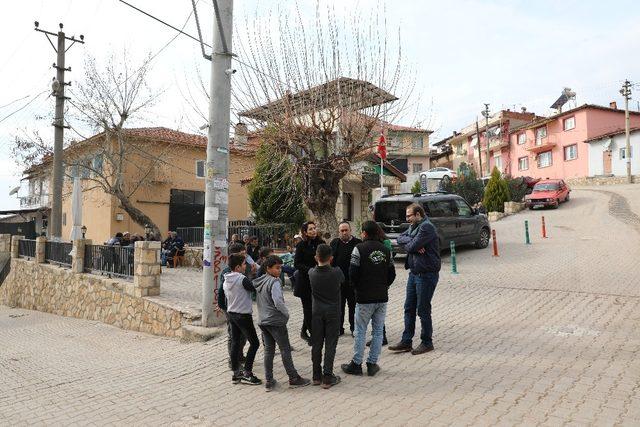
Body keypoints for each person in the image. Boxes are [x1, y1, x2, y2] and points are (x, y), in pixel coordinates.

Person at [341, 221, 395, 377]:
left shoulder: (358, 249)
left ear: (364, 233)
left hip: (364, 298)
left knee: (360, 331)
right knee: (378, 332)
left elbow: (352, 272)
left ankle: (356, 364)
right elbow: (392, 274)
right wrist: (383, 286)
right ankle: (372, 364)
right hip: (381, 297)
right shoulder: (386, 250)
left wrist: (357, 287)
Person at [389, 203, 441, 355]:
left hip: (426, 275)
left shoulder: (426, 227)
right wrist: (412, 243)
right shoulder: (413, 227)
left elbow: (411, 247)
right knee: (408, 308)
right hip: (414, 273)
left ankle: (427, 342)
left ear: (418, 214)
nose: (407, 219)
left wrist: (412, 244)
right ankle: (406, 341)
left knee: (423, 309)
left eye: (409, 216)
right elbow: (400, 238)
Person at [254, 255, 311, 392]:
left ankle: (269, 379)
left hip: (263, 320)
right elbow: (278, 301)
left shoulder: (261, 281)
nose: (279, 271)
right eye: (277, 268)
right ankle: (293, 377)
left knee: (269, 350)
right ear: (268, 268)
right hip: (275, 320)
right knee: (285, 349)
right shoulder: (274, 282)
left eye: (280, 268)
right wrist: (286, 313)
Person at [223, 253, 262, 385]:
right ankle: (247, 373)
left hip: (232, 314)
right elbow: (254, 288)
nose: (246, 266)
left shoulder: (226, 279)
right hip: (243, 315)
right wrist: (256, 274)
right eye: (244, 264)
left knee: (235, 343)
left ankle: (236, 373)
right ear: (238, 266)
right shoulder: (241, 279)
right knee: (255, 343)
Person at [308, 244, 344, 389]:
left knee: (316, 344)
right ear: (331, 258)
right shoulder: (337, 272)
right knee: (330, 344)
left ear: (316, 257)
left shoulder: (311, 272)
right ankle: (328, 377)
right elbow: (342, 281)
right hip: (333, 312)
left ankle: (316, 376)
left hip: (316, 312)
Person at [218, 243, 252, 369]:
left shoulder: (243, 267)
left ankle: (239, 355)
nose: (245, 255)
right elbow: (222, 291)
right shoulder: (227, 272)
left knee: (242, 336)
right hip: (231, 308)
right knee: (233, 335)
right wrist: (222, 306)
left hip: (240, 307)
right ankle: (232, 359)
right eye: (243, 253)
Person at [293, 221, 325, 345]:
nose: (313, 231)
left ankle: (303, 331)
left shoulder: (321, 243)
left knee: (315, 309)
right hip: (305, 282)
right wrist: (310, 270)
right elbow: (297, 263)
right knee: (308, 309)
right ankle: (313, 335)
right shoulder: (301, 245)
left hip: (318, 281)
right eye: (310, 229)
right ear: (305, 232)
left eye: (314, 228)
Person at [329, 221, 362, 336]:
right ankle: (339, 328)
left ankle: (354, 328)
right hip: (338, 282)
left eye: (346, 230)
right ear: (339, 232)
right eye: (341, 231)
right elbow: (330, 262)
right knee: (339, 306)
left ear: (350, 230)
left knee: (353, 306)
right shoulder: (334, 243)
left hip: (353, 282)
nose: (344, 233)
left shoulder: (358, 243)